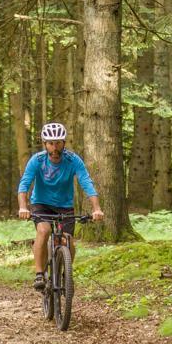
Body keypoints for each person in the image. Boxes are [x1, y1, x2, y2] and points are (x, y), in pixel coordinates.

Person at [17, 122, 104, 291]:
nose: (54, 147)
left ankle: (66, 273)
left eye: (58, 143)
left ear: (64, 143)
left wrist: (97, 209)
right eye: (51, 143)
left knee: (68, 241)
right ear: (45, 144)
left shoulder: (73, 160)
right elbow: (24, 184)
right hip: (41, 203)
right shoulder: (37, 160)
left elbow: (86, 182)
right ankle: (39, 274)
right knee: (43, 231)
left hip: (64, 206)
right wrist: (23, 207)